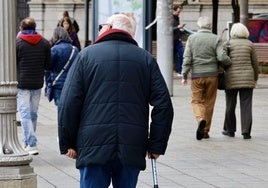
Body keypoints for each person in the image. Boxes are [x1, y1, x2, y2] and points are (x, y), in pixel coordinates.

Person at [58, 13, 173, 188]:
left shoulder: (86, 56)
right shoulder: (145, 59)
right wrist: (156, 144)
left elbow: (68, 102)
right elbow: (163, 105)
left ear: (110, 27)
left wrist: (68, 142)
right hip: (132, 144)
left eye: (102, 25)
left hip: (93, 144)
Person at [181, 16, 231, 140]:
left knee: (196, 101)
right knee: (209, 102)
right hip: (212, 76)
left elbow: (187, 58)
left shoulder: (192, 39)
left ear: (198, 26)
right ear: (210, 26)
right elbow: (221, 57)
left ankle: (200, 119)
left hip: (197, 75)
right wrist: (229, 63)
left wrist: (184, 74)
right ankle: (205, 131)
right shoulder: (216, 38)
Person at [16, 17, 51, 155]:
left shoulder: (18, 43)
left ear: (22, 28)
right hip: (37, 82)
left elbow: (13, 64)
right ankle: (27, 141)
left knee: (24, 113)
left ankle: (31, 143)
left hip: (22, 83)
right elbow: (48, 65)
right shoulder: (44, 43)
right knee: (33, 114)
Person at [222, 23, 259, 139]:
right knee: (246, 106)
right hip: (247, 79)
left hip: (231, 79)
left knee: (230, 105)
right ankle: (246, 132)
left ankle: (230, 130)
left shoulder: (227, 44)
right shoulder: (250, 44)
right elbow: (255, 63)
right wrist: (255, 78)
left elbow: (222, 61)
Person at [45, 27, 79, 106]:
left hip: (58, 84)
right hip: (72, 83)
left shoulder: (54, 49)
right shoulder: (75, 49)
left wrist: (48, 84)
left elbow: (48, 67)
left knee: (60, 108)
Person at [173, 4, 185, 77]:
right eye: (178, 12)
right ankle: (177, 69)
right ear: (173, 11)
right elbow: (168, 29)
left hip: (177, 39)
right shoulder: (170, 18)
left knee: (181, 54)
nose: (179, 13)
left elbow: (176, 29)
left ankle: (179, 70)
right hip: (172, 40)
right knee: (174, 56)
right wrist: (178, 27)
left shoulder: (177, 18)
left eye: (179, 12)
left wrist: (180, 33)